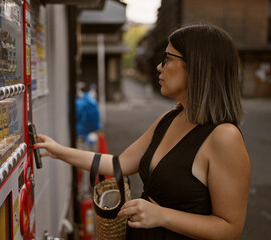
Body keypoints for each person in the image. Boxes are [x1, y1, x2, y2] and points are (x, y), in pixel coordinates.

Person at [34, 23, 250, 240]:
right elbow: (119, 164)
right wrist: (58, 151)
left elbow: (229, 228)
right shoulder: (169, 120)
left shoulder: (224, 137)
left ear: (197, 66)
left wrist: (161, 215)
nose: (159, 66)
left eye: (168, 59)